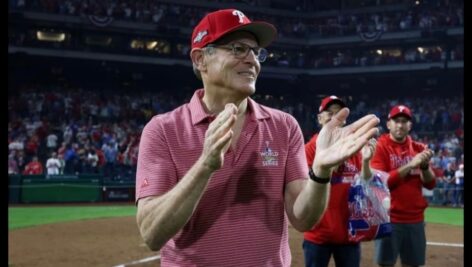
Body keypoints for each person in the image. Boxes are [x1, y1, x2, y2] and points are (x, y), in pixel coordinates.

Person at [135, 9, 379, 266]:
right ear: (200, 60)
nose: (252, 60)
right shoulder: (162, 129)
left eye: (256, 51)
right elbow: (152, 234)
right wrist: (205, 166)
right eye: (238, 49)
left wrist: (320, 172)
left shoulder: (284, 126)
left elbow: (303, 220)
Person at [303, 96, 377, 267]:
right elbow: (307, 188)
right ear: (319, 118)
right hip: (317, 234)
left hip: (349, 234)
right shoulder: (309, 149)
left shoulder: (355, 149)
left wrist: (366, 161)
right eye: (330, 113)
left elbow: (366, 184)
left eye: (339, 114)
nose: (335, 117)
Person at [371, 105, 436, 267]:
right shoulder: (380, 147)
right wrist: (410, 165)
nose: (400, 125)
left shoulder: (419, 148)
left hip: (415, 219)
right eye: (396, 121)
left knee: (413, 264)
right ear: (388, 124)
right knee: (385, 264)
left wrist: (424, 166)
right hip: (388, 218)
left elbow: (430, 184)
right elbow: (382, 183)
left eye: (404, 121)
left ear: (410, 125)